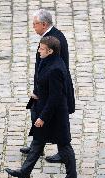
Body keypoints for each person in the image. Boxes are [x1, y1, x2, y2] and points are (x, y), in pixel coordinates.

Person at [5, 36, 78, 178]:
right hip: (45, 108)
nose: (39, 51)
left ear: (50, 51)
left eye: (41, 48)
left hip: (55, 116)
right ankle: (25, 172)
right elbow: (45, 85)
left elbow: (56, 97)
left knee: (64, 146)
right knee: (38, 142)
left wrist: (43, 118)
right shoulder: (48, 61)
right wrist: (37, 93)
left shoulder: (56, 68)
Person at [21, 9, 74, 164]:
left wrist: (39, 91)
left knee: (51, 118)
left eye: (35, 24)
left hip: (51, 88)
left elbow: (53, 69)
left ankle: (52, 149)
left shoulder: (54, 39)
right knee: (35, 111)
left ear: (43, 24)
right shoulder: (49, 37)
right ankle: (37, 145)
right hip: (44, 86)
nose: (33, 27)